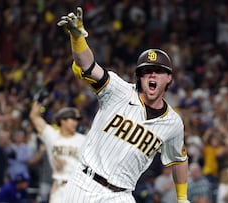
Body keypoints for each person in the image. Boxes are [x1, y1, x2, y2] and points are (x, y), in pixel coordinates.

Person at [57, 7, 189, 203]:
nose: (152, 75)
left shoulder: (173, 123)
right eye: (147, 71)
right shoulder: (117, 90)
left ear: (169, 78)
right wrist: (77, 38)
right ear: (139, 76)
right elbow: (88, 66)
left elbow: (178, 159)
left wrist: (182, 197)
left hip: (121, 196)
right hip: (84, 183)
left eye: (158, 71)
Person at [29, 102, 86, 202]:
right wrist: (38, 100)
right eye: (72, 119)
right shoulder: (52, 136)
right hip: (59, 187)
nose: (76, 122)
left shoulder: (84, 140)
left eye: (77, 120)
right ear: (62, 121)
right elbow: (34, 117)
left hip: (77, 188)